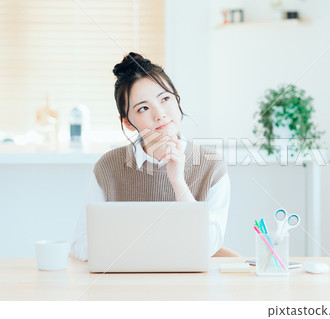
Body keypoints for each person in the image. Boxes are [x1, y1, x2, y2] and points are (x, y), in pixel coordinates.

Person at [71, 52, 239, 261]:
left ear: (177, 98)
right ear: (128, 122)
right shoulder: (108, 167)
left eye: (165, 99)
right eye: (143, 108)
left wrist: (178, 182)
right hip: (125, 285)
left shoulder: (211, 165)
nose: (160, 114)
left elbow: (209, 245)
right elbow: (81, 243)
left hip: (189, 287)